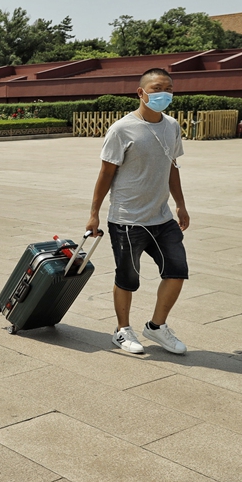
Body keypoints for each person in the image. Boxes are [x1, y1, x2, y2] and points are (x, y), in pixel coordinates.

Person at [86, 67, 190, 356]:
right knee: (128, 278)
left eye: (168, 89)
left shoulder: (172, 126)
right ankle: (122, 330)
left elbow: (173, 167)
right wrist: (94, 213)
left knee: (177, 271)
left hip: (162, 217)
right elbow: (106, 173)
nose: (163, 94)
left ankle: (156, 326)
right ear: (141, 92)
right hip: (127, 220)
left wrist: (180, 204)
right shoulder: (122, 129)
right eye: (157, 88)